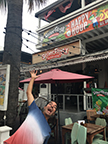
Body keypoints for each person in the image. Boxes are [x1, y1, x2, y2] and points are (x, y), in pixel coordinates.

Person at [4, 70, 57, 144]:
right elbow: (29, 93)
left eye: (54, 107)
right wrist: (32, 79)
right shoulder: (35, 110)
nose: (52, 106)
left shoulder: (48, 131)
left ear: (53, 113)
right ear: (44, 107)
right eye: (50, 104)